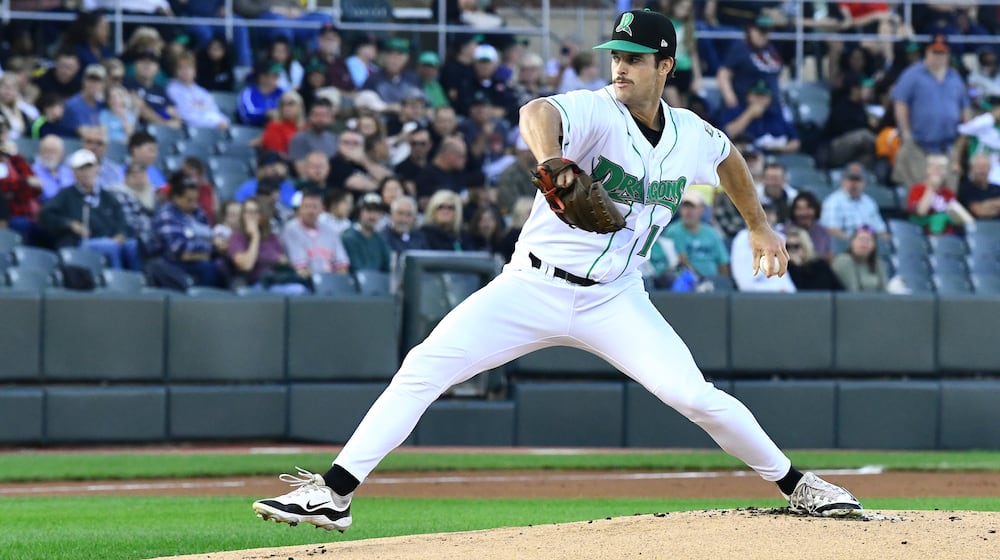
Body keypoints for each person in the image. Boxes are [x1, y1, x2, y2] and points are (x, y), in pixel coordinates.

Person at [252, 9, 862, 532]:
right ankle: (333, 493)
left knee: (693, 396)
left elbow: (729, 157)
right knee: (424, 366)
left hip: (616, 300)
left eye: (634, 56)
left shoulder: (689, 135)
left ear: (665, 66)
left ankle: (798, 484)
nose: (619, 65)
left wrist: (758, 223)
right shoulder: (597, 111)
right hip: (531, 284)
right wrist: (552, 161)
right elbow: (536, 109)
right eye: (614, 54)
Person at [39, 149, 141, 270]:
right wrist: (71, 224)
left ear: (97, 169)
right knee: (110, 246)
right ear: (74, 172)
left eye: (89, 168)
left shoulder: (108, 197)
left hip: (110, 239)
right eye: (81, 169)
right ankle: (118, 283)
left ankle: (139, 281)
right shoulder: (65, 195)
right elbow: (46, 215)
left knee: (133, 245)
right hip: (82, 242)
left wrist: (121, 234)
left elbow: (121, 219)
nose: (86, 172)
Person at [891, 36, 970, 188]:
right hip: (919, 145)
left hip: (948, 146)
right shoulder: (913, 74)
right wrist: (906, 133)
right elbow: (900, 103)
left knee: (948, 194)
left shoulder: (954, 77)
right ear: (927, 52)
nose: (938, 57)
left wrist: (964, 133)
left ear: (948, 55)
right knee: (921, 191)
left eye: (942, 53)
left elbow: (964, 107)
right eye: (935, 52)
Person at [152, 172, 227, 287]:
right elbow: (177, 248)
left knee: (224, 264)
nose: (193, 204)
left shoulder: (198, 212)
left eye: (195, 200)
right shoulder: (166, 215)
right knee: (207, 267)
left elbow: (210, 234)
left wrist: (217, 245)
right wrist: (212, 247)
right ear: (176, 198)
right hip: (172, 262)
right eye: (189, 200)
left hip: (200, 256)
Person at [227, 196, 300, 292]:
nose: (249, 216)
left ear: (263, 215)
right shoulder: (237, 237)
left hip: (274, 281)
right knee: (297, 291)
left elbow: (283, 261)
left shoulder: (271, 237)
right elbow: (246, 265)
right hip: (252, 285)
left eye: (254, 212)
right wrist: (255, 236)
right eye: (246, 212)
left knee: (301, 290)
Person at [281, 189, 350, 277]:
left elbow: (342, 265)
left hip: (330, 282)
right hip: (304, 283)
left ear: (321, 209)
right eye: (307, 207)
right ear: (300, 209)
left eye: (314, 207)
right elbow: (300, 270)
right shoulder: (291, 229)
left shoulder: (329, 231)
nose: (310, 211)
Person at [664, 190, 731, 279]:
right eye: (685, 207)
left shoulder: (711, 232)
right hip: (685, 283)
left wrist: (723, 283)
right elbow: (682, 262)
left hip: (714, 282)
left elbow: (723, 262)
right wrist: (700, 281)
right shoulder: (673, 232)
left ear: (702, 209)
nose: (688, 211)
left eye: (693, 207)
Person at [731, 203, 796, 292]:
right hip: (755, 297)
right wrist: (777, 289)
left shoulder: (781, 237)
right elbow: (745, 285)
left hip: (784, 295)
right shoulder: (742, 238)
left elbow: (786, 282)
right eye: (763, 213)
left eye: (770, 213)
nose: (766, 217)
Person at [906, 154, 974, 235]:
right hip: (923, 232)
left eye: (941, 168)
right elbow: (921, 212)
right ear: (928, 170)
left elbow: (961, 218)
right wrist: (931, 189)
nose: (937, 170)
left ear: (945, 172)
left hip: (947, 234)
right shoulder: (917, 189)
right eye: (933, 167)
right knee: (939, 218)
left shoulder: (948, 193)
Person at [819, 162, 888, 240]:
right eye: (851, 179)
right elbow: (832, 231)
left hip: (869, 246)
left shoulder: (869, 202)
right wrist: (856, 241)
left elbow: (881, 231)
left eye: (857, 180)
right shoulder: (833, 201)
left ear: (864, 182)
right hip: (844, 248)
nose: (854, 183)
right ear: (843, 181)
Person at [165, 51, 231, 130]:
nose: (185, 71)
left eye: (189, 67)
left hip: (211, 129)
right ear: (175, 71)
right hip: (189, 130)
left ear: (195, 70)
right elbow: (185, 116)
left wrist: (223, 121)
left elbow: (215, 111)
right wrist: (215, 123)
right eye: (181, 68)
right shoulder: (172, 89)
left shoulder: (202, 91)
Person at [341, 192, 392, 274]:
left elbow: (388, 266)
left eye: (376, 211)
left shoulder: (381, 238)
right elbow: (356, 269)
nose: (372, 215)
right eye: (368, 210)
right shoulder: (348, 237)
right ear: (360, 212)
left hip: (379, 283)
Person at [784, 226, 844, 291]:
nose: (791, 250)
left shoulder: (819, 265)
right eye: (788, 246)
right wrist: (794, 267)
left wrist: (798, 267)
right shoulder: (785, 267)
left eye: (796, 246)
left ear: (805, 246)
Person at [831, 226, 888, 292]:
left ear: (874, 246)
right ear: (852, 242)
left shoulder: (878, 263)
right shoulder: (844, 260)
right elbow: (853, 294)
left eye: (869, 240)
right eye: (861, 239)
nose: (864, 243)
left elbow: (885, 293)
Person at [787, 191, 832, 262]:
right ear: (793, 211)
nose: (804, 213)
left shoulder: (822, 232)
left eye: (808, 208)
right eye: (799, 209)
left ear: (816, 210)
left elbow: (827, 256)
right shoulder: (784, 231)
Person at [956, 152, 1000, 220]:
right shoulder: (965, 189)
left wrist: (984, 204)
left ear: (990, 169)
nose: (982, 170)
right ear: (972, 169)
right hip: (975, 228)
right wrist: (996, 204)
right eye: (978, 166)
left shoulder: (997, 188)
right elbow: (979, 211)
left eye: (985, 166)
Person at [260, 91, 304, 158]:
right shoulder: (274, 126)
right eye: (283, 104)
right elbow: (276, 154)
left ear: (300, 107)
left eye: (291, 104)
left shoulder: (306, 127)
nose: (286, 108)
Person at [31, 134, 74, 201]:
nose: (49, 155)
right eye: (45, 150)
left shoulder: (69, 173)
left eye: (53, 151)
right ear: (39, 152)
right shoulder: (32, 171)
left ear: (62, 154)